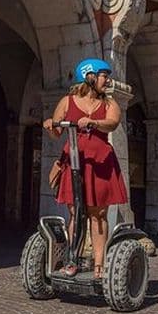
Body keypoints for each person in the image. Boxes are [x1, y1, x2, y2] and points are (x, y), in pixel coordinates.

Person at [43, 58, 128, 279]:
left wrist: (93, 122)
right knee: (76, 213)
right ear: (89, 77)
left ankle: (99, 264)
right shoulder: (67, 101)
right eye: (103, 75)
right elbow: (57, 132)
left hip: (100, 162)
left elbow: (113, 122)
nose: (107, 80)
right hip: (74, 160)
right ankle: (73, 260)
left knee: (98, 214)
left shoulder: (109, 104)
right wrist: (50, 125)